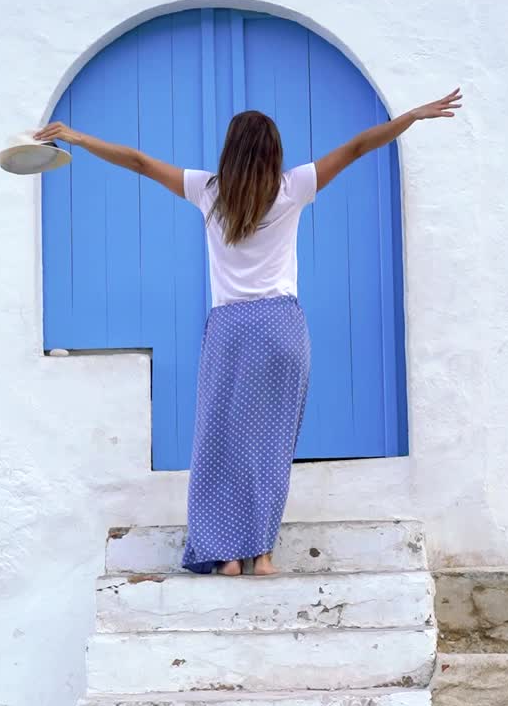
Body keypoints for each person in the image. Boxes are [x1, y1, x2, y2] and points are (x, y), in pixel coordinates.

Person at [35, 86, 461, 576]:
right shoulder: (292, 187)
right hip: (281, 328)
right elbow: (359, 146)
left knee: (219, 440)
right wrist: (411, 115)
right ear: (275, 151)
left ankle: (227, 554)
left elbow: (137, 161)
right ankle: (261, 555)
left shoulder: (208, 190)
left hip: (230, 329)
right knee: (271, 443)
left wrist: (75, 136)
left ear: (230, 149)